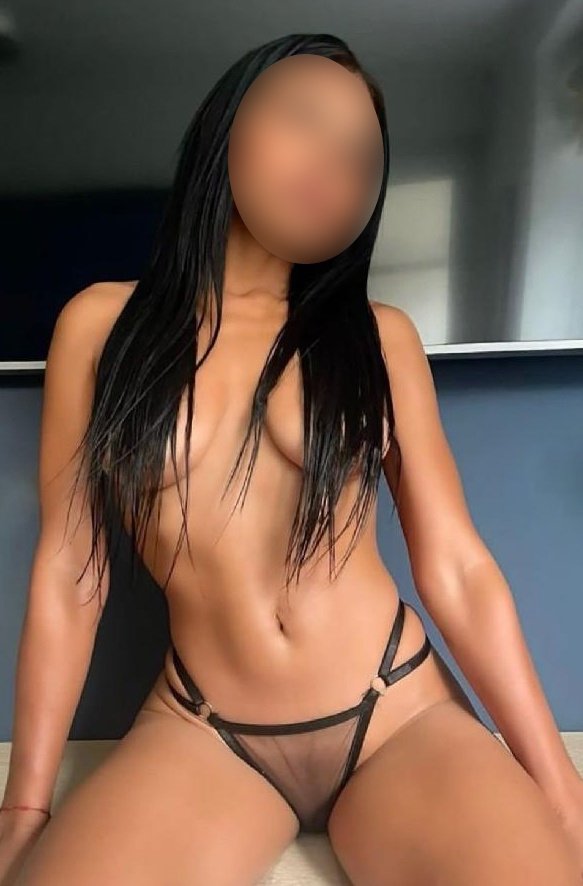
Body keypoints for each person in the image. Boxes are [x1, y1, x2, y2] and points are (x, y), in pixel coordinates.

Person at [2, 31, 582, 886]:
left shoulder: (379, 337)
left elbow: (457, 567)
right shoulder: (100, 327)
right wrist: (24, 809)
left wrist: (559, 786)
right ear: (225, 126)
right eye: (303, 119)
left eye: (359, 157)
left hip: (396, 711)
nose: (330, 163)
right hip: (204, 727)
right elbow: (68, 573)